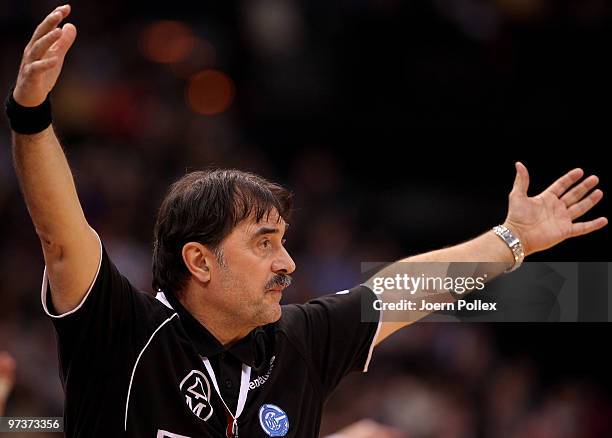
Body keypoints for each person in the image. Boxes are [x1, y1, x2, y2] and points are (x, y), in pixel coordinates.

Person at [5, 5, 607, 438]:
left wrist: (514, 240)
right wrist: (30, 114)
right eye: (264, 242)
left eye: (285, 243)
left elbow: (406, 288)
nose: (287, 262)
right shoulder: (124, 333)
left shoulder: (300, 342)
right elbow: (63, 239)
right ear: (200, 259)